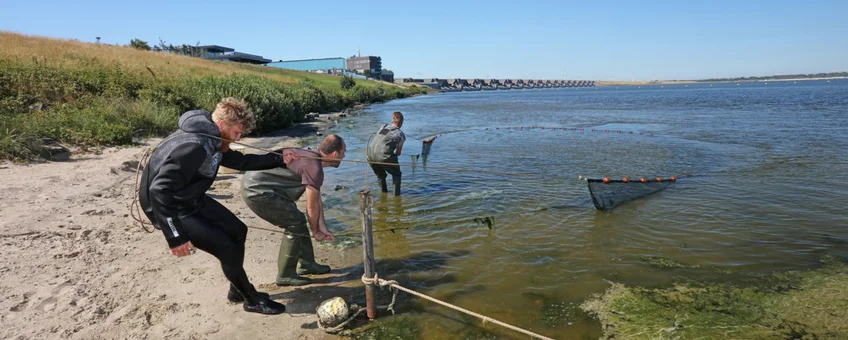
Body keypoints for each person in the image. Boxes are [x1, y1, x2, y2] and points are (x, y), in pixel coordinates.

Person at [138, 97, 297, 315]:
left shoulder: (212, 138)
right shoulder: (196, 146)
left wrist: (280, 158)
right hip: (170, 207)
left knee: (238, 230)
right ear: (222, 124)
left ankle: (237, 289)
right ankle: (251, 299)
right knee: (226, 248)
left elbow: (241, 162)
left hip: (190, 196)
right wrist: (175, 237)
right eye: (237, 133)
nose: (239, 138)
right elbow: (158, 189)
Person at [240, 135, 346, 286]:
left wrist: (323, 228)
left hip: (259, 185)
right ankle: (285, 275)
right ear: (335, 154)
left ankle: (307, 265)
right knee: (295, 223)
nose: (345, 156)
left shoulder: (312, 157)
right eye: (344, 152)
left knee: (298, 219)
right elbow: (311, 206)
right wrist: (315, 231)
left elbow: (316, 200)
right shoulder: (313, 166)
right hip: (257, 190)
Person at [367, 111, 406, 196]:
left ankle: (383, 194)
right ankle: (397, 198)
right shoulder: (401, 135)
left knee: (381, 176)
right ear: (401, 122)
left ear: (392, 120)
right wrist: (393, 155)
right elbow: (398, 153)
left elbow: (381, 138)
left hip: (370, 156)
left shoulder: (383, 127)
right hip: (383, 157)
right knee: (397, 174)